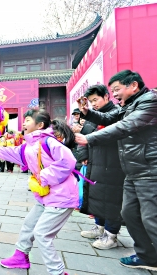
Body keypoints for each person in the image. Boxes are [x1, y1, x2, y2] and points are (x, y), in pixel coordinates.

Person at [75, 70, 157, 271]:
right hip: (132, 170)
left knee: (151, 218)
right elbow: (108, 117)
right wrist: (86, 111)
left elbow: (126, 126)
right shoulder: (128, 105)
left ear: (133, 86)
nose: (115, 94)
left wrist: (89, 138)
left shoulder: (150, 101)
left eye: (117, 89)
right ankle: (147, 256)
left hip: (149, 169)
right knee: (128, 214)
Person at [0, 109, 77, 275]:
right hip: (45, 197)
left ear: (39, 125)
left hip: (62, 197)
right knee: (29, 224)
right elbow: (4, 152)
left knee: (42, 234)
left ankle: (58, 272)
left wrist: (44, 176)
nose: (24, 123)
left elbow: (69, 161)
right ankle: (20, 256)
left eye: (27, 120)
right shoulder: (28, 147)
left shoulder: (49, 142)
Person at [76, 84, 126, 250]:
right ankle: (99, 227)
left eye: (96, 100)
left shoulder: (116, 113)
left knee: (111, 198)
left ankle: (111, 235)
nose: (94, 104)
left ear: (106, 96)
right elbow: (84, 135)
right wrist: (83, 156)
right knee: (96, 195)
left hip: (112, 163)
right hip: (94, 162)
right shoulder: (92, 116)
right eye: (91, 101)